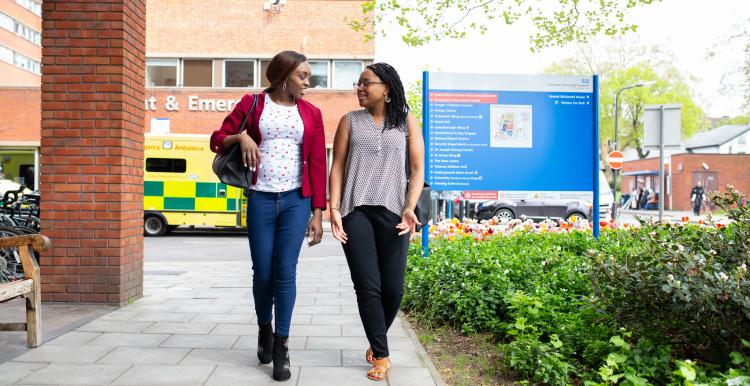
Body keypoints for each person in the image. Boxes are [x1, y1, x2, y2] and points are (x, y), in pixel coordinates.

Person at [209, 50, 327, 382]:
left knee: (285, 272)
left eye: (308, 76)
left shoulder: (312, 113)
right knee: (263, 272)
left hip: (295, 201)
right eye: (302, 75)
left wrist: (318, 212)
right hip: (260, 199)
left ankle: (282, 346)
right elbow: (216, 140)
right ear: (283, 76)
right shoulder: (252, 104)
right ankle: (265, 328)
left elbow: (317, 162)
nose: (308, 81)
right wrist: (241, 136)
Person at [328, 62, 425, 381]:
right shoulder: (349, 122)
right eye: (358, 83)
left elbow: (416, 169)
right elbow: (338, 167)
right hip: (356, 211)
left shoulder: (407, 122)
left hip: (396, 213)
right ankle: (382, 355)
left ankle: (375, 338)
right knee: (367, 287)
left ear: (386, 88)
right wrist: (335, 208)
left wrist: (410, 207)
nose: (359, 87)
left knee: (393, 289)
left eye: (366, 82)